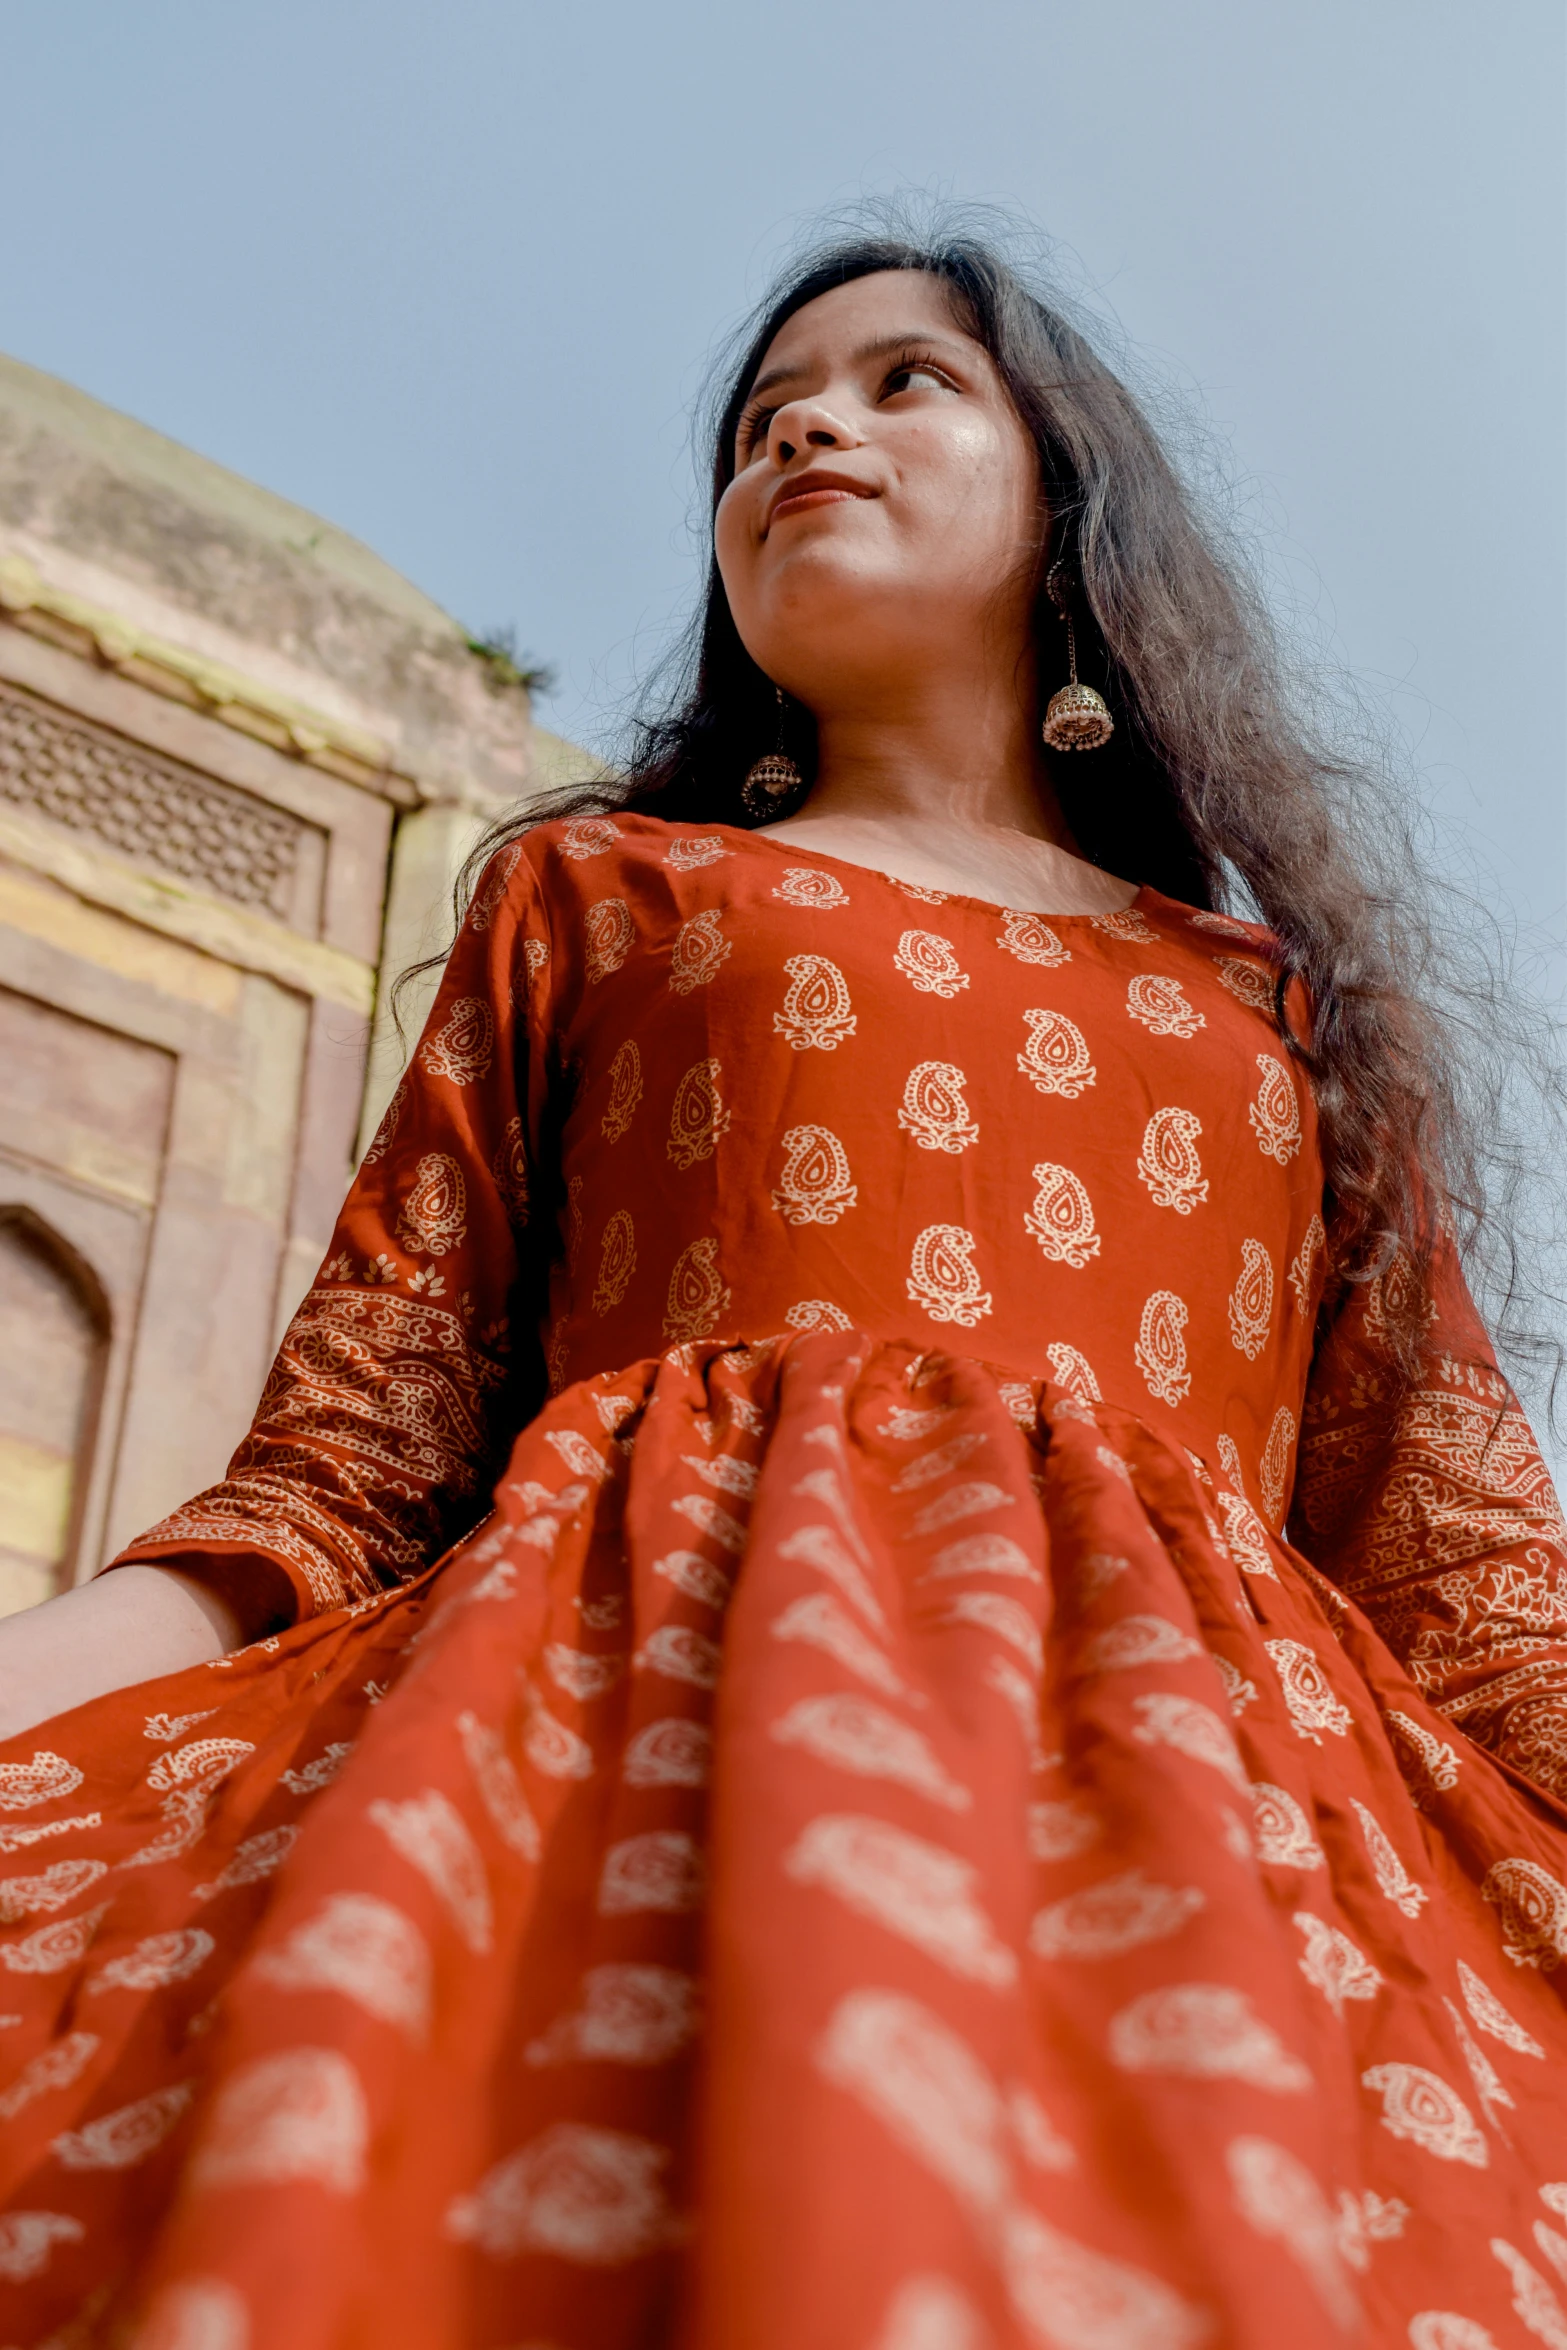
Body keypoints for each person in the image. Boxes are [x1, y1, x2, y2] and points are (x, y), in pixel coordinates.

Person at [0, 220, 1564, 2350]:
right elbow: (339, 1474)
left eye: (903, 380)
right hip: (611, 1780)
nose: (805, 426)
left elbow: (1475, 1598)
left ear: (1069, 501)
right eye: (758, 419)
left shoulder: (1278, 1021)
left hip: (1207, 1858)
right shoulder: (605, 895)